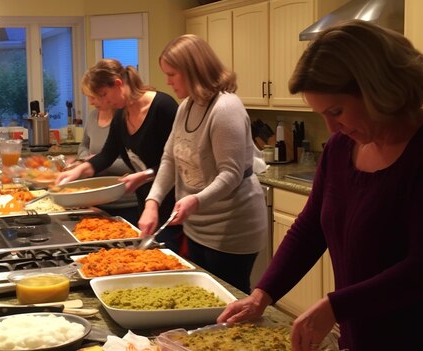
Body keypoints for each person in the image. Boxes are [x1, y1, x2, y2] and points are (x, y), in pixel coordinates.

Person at [217, 20, 423, 351]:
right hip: (359, 336)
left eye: (337, 111)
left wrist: (336, 305)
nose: (331, 128)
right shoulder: (340, 148)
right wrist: (262, 294)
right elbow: (309, 230)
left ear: (378, 90)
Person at [139, 34, 267, 294]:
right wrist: (152, 203)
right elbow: (169, 159)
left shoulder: (226, 108)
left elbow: (230, 174)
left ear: (192, 71)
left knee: (227, 301)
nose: (167, 81)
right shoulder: (186, 106)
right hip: (198, 226)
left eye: (172, 74)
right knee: (203, 298)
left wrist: (195, 201)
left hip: (231, 228)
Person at [56, 59, 183, 253]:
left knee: (168, 256)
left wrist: (145, 175)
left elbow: (178, 162)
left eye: (103, 94)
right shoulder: (121, 115)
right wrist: (78, 171)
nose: (103, 102)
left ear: (118, 83)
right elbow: (106, 155)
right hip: (145, 201)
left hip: (172, 204)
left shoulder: (162, 107)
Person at [75, 77, 139, 225]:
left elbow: (133, 163)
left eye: (93, 97)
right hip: (97, 199)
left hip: (125, 201)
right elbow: (83, 145)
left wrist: (95, 163)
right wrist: (86, 160)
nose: (91, 102)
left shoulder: (124, 118)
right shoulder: (92, 117)